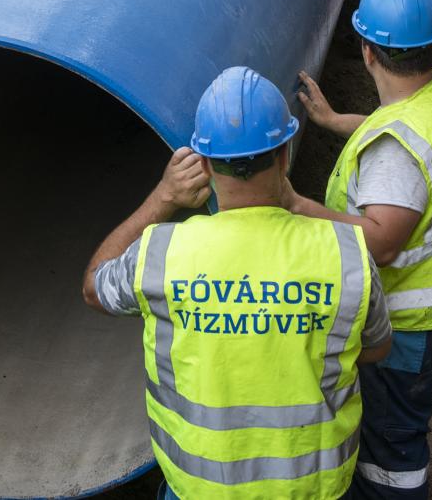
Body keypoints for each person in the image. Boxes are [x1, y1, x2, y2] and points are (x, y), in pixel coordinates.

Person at [83, 66, 393, 499]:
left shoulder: (161, 256)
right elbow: (376, 348)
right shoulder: (346, 254)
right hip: (311, 490)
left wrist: (163, 198)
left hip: (200, 489)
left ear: (204, 163)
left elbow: (94, 286)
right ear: (285, 153)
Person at [288, 0, 432, 500]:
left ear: (368, 52)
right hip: (428, 310)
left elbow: (381, 240)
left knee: (391, 449)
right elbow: (392, 121)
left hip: (403, 319)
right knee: (391, 430)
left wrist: (295, 206)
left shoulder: (397, 151)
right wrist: (332, 120)